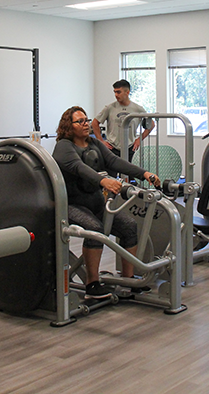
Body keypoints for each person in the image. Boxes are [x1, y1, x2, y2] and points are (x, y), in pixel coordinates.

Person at [53, 106, 160, 299]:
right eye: (80, 121)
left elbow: (114, 161)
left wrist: (144, 173)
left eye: (86, 120)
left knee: (129, 226)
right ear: (69, 126)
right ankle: (92, 284)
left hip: (95, 203)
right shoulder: (64, 146)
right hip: (70, 205)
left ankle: (129, 280)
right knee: (95, 229)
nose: (86, 124)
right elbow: (78, 168)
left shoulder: (94, 144)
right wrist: (104, 181)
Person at [92, 79, 154, 164]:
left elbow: (152, 124)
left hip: (130, 147)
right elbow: (95, 123)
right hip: (112, 148)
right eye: (115, 92)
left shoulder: (137, 109)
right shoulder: (109, 108)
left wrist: (139, 139)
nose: (116, 95)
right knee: (111, 176)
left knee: (130, 175)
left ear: (127, 92)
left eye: (118, 92)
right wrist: (101, 141)